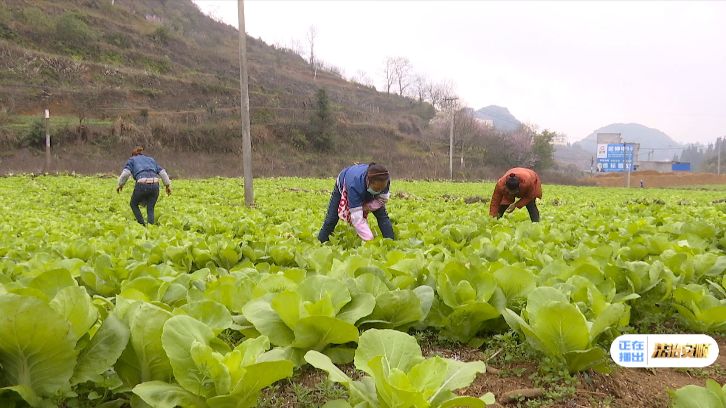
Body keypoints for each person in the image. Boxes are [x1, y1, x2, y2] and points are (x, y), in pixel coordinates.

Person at [318, 162, 394, 242]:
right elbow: (357, 219)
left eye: (382, 189)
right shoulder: (354, 185)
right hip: (345, 182)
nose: (380, 191)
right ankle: (321, 242)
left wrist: (366, 207)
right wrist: (370, 240)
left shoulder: (384, 180)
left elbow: (382, 199)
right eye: (377, 189)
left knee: (382, 216)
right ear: (368, 182)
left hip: (366, 189)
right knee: (331, 219)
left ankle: (391, 243)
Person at [116, 146, 171, 225]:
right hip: (155, 184)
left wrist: (120, 185)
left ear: (133, 155)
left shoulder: (132, 160)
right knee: (150, 208)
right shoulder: (151, 160)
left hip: (142, 184)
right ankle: (151, 228)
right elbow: (162, 172)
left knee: (133, 204)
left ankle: (142, 224)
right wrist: (167, 185)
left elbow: (126, 174)